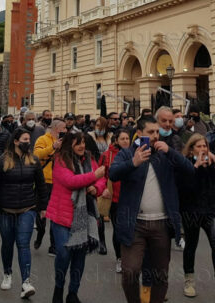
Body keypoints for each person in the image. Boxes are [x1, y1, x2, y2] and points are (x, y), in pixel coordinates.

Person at [109, 116, 195, 303]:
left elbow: (190, 170)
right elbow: (113, 173)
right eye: (151, 132)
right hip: (135, 224)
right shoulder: (128, 153)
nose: (156, 136)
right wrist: (134, 162)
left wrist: (171, 152)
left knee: (160, 275)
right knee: (130, 271)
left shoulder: (165, 153)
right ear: (139, 134)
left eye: (157, 132)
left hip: (161, 224)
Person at [0, 128, 48, 298]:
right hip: (5, 210)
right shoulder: (2, 161)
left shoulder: (34, 160)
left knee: (23, 243)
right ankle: (7, 274)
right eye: (25, 139)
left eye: (29, 139)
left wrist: (43, 207)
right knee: (7, 243)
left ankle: (26, 282)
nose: (28, 142)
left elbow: (41, 185)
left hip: (27, 209)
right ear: (16, 141)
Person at [47, 132, 107, 303]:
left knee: (79, 258)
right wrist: (94, 178)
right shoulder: (60, 160)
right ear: (68, 146)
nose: (82, 147)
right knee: (64, 254)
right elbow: (71, 181)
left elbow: (102, 180)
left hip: (84, 216)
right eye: (77, 144)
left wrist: (97, 188)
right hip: (62, 216)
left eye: (83, 143)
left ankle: (73, 293)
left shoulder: (89, 159)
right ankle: (58, 288)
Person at [179, 134, 215, 301]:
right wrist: (195, 167)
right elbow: (185, 189)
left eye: (205, 146)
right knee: (191, 245)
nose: (203, 150)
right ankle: (189, 280)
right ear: (191, 150)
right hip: (191, 212)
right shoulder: (186, 164)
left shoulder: (214, 163)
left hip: (211, 211)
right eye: (198, 147)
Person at [100, 128, 132, 274]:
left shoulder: (135, 153)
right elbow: (100, 174)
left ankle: (130, 257)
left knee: (131, 229)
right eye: (122, 139)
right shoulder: (107, 155)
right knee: (118, 229)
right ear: (116, 140)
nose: (126, 141)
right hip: (114, 198)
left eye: (127, 138)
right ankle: (120, 258)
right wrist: (103, 188)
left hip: (131, 197)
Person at [33, 118, 67, 255]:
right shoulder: (42, 139)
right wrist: (53, 147)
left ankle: (53, 245)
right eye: (64, 128)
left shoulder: (66, 142)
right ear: (56, 129)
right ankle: (40, 233)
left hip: (58, 182)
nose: (66, 131)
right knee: (42, 212)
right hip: (44, 182)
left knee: (55, 215)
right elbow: (36, 155)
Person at [88, 116, 112, 254]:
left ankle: (101, 240)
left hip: (108, 173)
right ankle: (98, 240)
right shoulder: (90, 137)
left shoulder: (110, 137)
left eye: (101, 126)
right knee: (97, 210)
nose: (99, 128)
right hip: (94, 172)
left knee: (103, 209)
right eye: (97, 125)